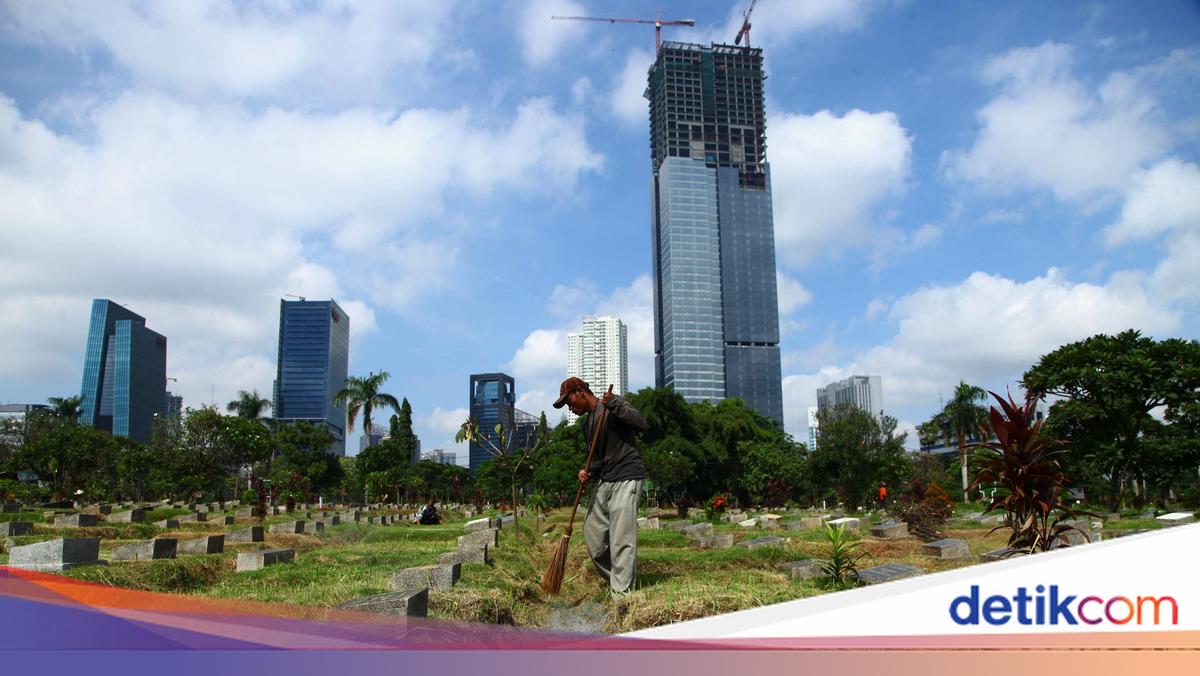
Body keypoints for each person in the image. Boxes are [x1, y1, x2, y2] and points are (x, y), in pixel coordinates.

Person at [553, 376, 648, 598]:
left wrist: (615, 403)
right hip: (606, 479)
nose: (570, 408)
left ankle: (622, 595)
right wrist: (587, 470)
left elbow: (642, 424)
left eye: (569, 402)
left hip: (627, 475)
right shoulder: (587, 424)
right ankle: (618, 579)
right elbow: (597, 458)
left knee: (621, 539)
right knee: (593, 536)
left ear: (580, 393)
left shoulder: (612, 405)